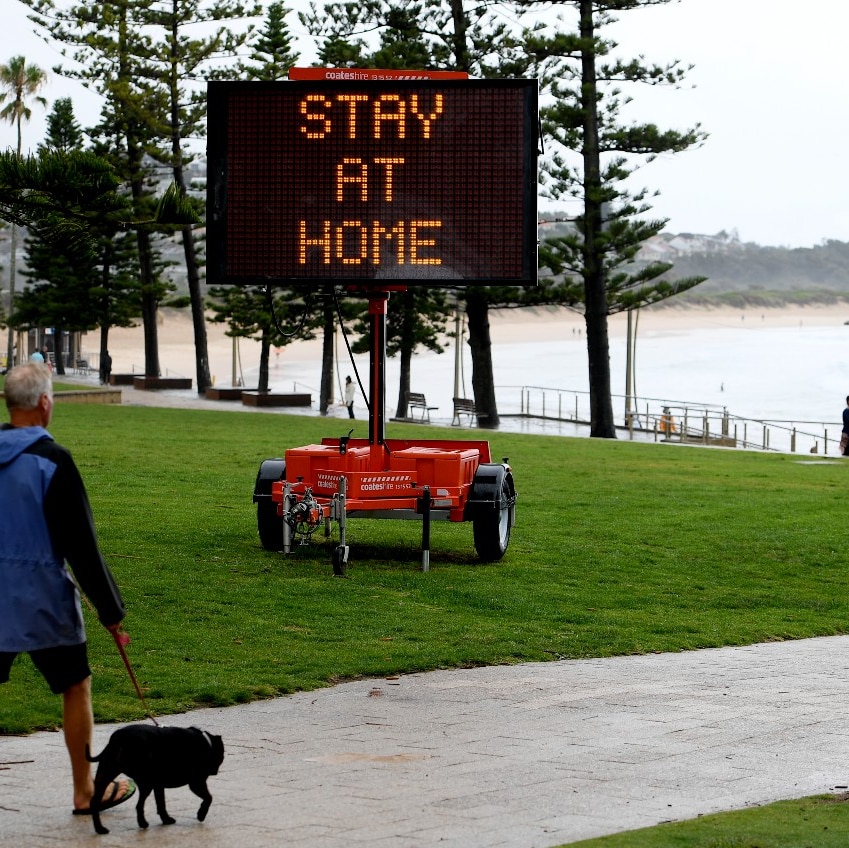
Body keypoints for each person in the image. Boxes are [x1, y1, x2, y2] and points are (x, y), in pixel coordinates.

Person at [0, 363, 135, 817]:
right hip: (40, 597)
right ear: (43, 403)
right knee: (75, 686)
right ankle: (84, 791)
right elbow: (83, 545)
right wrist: (110, 610)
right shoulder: (54, 460)